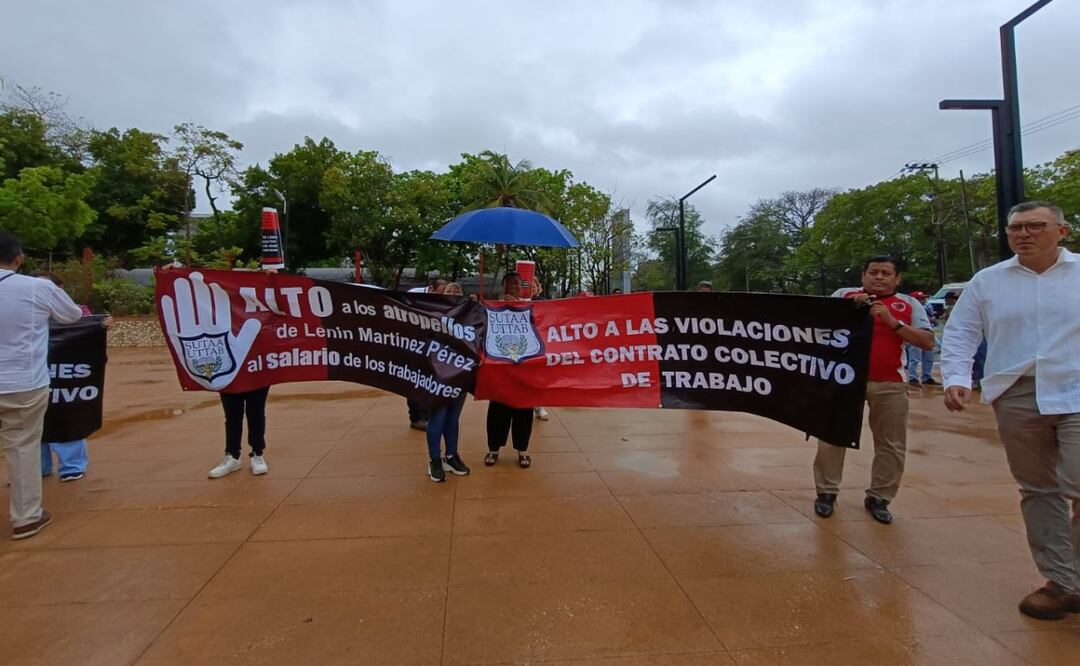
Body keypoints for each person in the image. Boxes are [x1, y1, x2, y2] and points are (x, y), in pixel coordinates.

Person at [941, 201, 1080, 621]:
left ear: (1062, 231)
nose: (1023, 234)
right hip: (1017, 393)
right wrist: (955, 377)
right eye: (1015, 228)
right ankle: (1061, 582)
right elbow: (962, 331)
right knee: (1038, 489)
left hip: (1076, 389)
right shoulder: (989, 281)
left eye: (1035, 226)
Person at [812, 256, 935, 524]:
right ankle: (826, 492)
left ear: (897, 279)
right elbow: (817, 329)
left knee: (890, 443)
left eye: (886, 273)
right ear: (863, 275)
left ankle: (880, 496)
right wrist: (846, 312)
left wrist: (893, 322)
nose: (879, 277)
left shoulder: (910, 304)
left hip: (890, 382)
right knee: (833, 436)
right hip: (844, 380)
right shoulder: (844, 295)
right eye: (873, 272)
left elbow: (927, 342)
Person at [0, 232, 83, 539]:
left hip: (21, 382)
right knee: (22, 447)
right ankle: (26, 518)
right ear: (18, 257)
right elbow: (72, 315)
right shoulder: (37, 288)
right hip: (23, 382)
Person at [34, 272, 105, 482]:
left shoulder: (78, 313)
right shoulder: (26, 310)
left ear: (60, 289)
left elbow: (88, 335)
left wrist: (100, 327)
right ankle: (37, 466)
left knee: (67, 416)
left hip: (68, 377)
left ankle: (72, 465)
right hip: (33, 375)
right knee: (33, 423)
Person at [485, 272, 535, 468]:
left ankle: (523, 451)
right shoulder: (492, 307)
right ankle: (493, 449)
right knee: (497, 411)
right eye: (509, 284)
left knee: (524, 411)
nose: (512, 287)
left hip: (525, 370)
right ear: (502, 287)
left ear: (522, 287)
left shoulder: (531, 307)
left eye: (516, 284)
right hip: (500, 371)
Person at [406, 276, 446, 430]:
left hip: (431, 347)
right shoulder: (414, 295)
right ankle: (416, 417)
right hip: (413, 345)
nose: (442, 296)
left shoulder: (440, 301)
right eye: (440, 292)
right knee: (414, 381)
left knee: (428, 381)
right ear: (431, 288)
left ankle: (426, 415)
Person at [905, 290, 938, 387]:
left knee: (929, 357)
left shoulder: (926, 308)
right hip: (915, 333)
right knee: (915, 358)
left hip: (927, 333)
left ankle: (927, 377)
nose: (923, 300)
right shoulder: (910, 308)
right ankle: (913, 377)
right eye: (921, 298)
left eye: (923, 298)